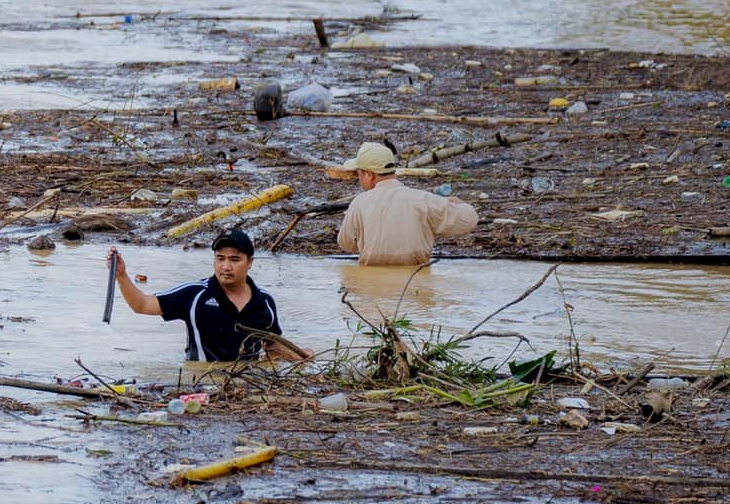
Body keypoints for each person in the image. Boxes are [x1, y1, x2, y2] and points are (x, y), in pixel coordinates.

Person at [108, 231, 310, 363]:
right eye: (220, 258)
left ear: (250, 263)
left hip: (250, 382)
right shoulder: (195, 294)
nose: (226, 267)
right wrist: (121, 275)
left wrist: (302, 356)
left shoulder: (264, 301)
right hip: (201, 381)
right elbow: (141, 305)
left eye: (234, 259)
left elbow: (272, 344)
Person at [332, 141, 478, 266]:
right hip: (416, 283)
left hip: (371, 291)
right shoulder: (423, 200)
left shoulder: (359, 203)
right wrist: (460, 204)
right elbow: (468, 221)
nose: (359, 179)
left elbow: (346, 244)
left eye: (359, 174)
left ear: (369, 174)